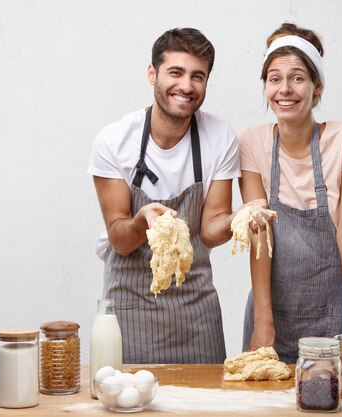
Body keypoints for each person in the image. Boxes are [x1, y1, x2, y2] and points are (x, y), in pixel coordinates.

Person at [88, 28, 257, 364]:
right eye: (175, 72)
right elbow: (119, 240)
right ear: (153, 74)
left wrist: (240, 218)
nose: (186, 86)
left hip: (196, 311)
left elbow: (209, 231)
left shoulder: (219, 137)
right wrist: (141, 221)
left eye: (198, 76)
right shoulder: (114, 141)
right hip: (130, 306)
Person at [239, 23, 342, 363]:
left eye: (297, 78)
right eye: (275, 78)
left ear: (317, 87)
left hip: (334, 313)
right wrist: (262, 321)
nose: (285, 89)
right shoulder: (252, 142)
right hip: (270, 310)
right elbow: (260, 235)